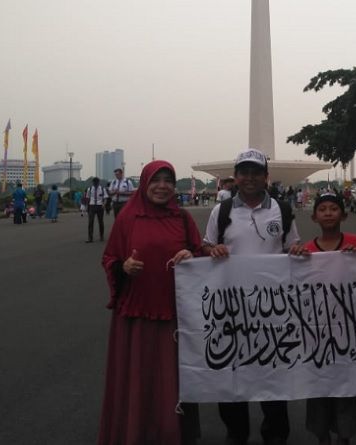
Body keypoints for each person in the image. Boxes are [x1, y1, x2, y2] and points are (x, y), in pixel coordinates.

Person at [98, 160, 202, 445]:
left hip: (175, 314)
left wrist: (192, 256)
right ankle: (135, 433)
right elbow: (109, 258)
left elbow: (199, 251)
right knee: (139, 375)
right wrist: (123, 267)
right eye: (156, 180)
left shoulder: (182, 218)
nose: (162, 186)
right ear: (144, 183)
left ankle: (173, 433)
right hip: (137, 313)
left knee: (172, 376)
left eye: (168, 181)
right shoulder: (128, 218)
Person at [202, 148, 301, 445]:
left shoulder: (281, 210)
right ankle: (236, 431)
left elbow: (292, 248)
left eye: (256, 172)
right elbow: (207, 245)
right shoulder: (222, 212)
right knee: (232, 372)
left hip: (272, 310)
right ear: (235, 177)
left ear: (266, 177)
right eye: (244, 172)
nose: (249, 178)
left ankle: (275, 432)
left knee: (273, 371)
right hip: (231, 309)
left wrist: (298, 252)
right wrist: (213, 250)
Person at [288, 192, 356, 445]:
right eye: (323, 209)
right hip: (316, 332)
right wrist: (295, 259)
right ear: (314, 217)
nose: (328, 213)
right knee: (318, 384)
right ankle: (322, 435)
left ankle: (344, 435)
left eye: (333, 208)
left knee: (347, 384)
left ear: (343, 215)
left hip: (348, 329)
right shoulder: (307, 250)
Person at [86, 177, 109, 243]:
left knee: (100, 222)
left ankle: (101, 236)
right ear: (92, 183)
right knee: (90, 222)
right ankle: (90, 238)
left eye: (96, 183)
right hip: (92, 206)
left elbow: (105, 198)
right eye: (94, 183)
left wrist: (104, 204)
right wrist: (87, 207)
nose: (95, 184)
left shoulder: (102, 189)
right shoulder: (90, 189)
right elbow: (87, 198)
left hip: (100, 206)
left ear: (99, 183)